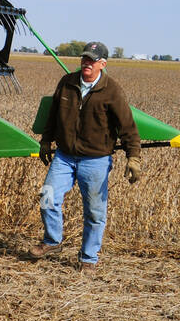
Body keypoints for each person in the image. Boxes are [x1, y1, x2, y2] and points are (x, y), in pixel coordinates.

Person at [31, 41, 142, 268]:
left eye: (92, 60)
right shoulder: (67, 82)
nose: (86, 63)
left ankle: (88, 258)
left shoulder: (112, 90)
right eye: (84, 59)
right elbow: (52, 116)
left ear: (103, 64)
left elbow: (127, 126)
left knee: (94, 212)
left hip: (96, 160)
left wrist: (134, 157)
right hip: (64, 156)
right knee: (47, 197)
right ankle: (52, 241)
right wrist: (45, 141)